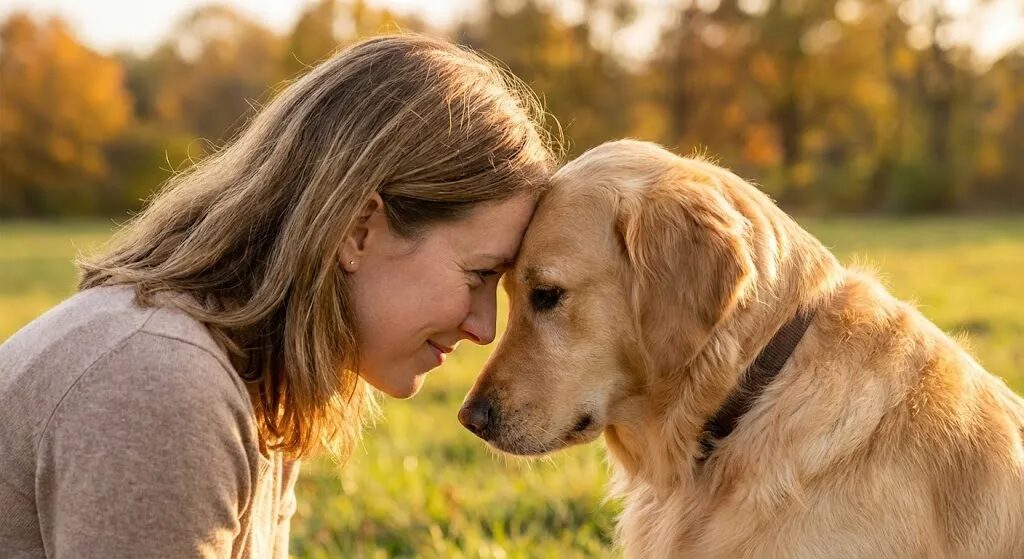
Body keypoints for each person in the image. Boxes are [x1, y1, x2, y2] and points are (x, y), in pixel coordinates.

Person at [0, 34, 556, 557]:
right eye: (479, 274)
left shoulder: (261, 389)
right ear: (358, 230)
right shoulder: (158, 382)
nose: (484, 328)